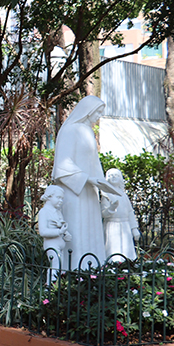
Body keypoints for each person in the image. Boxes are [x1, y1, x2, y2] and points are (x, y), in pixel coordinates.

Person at [52, 95, 115, 268]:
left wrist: (104, 187)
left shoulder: (88, 132)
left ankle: (93, 269)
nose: (99, 116)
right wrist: (86, 179)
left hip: (90, 191)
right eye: (98, 112)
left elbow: (94, 163)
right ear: (88, 111)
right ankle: (74, 270)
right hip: (74, 191)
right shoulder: (69, 130)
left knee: (91, 229)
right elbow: (63, 165)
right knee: (77, 229)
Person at [101, 168, 140, 261]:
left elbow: (130, 212)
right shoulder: (106, 195)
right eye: (111, 175)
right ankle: (113, 265)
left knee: (127, 250)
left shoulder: (123, 195)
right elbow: (103, 213)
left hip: (125, 225)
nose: (113, 177)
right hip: (112, 226)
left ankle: (128, 264)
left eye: (116, 175)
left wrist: (134, 228)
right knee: (114, 250)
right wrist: (112, 208)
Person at [38, 185, 72, 284]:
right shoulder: (44, 212)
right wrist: (59, 232)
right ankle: (51, 287)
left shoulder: (58, 212)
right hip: (51, 244)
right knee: (55, 266)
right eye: (58, 197)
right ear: (49, 197)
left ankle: (59, 286)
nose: (61, 201)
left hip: (60, 243)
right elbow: (43, 231)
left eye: (62, 198)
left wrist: (66, 234)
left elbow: (61, 227)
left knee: (61, 267)